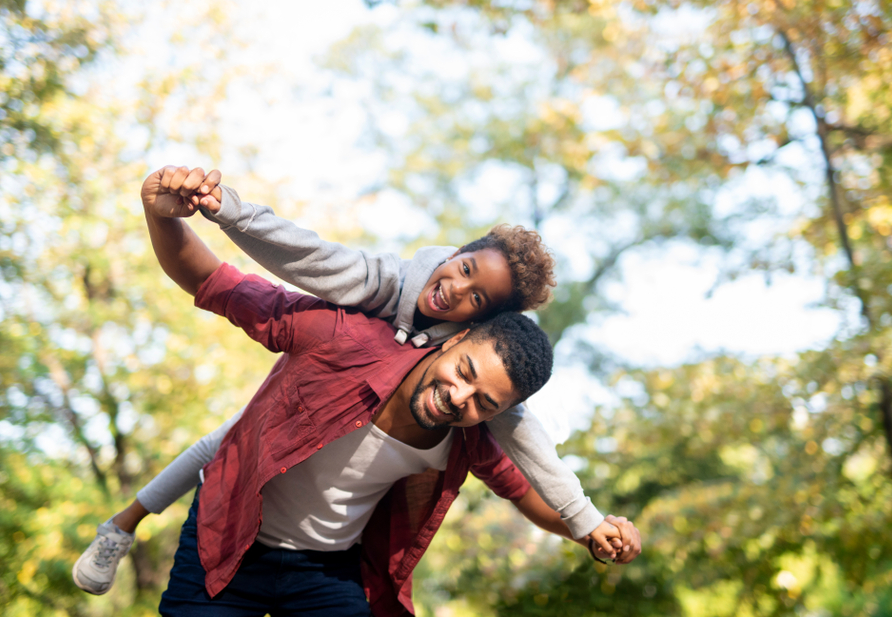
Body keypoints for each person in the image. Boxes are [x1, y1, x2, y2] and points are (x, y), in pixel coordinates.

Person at [73, 167, 632, 598]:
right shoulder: (369, 299)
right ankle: (123, 523)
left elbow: (530, 475)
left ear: (475, 325)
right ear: (456, 257)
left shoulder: (477, 412)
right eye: (463, 270)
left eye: (477, 298)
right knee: (230, 441)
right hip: (231, 526)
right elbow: (287, 261)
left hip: (329, 567)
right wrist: (218, 210)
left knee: (237, 434)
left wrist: (588, 526)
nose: (456, 291)